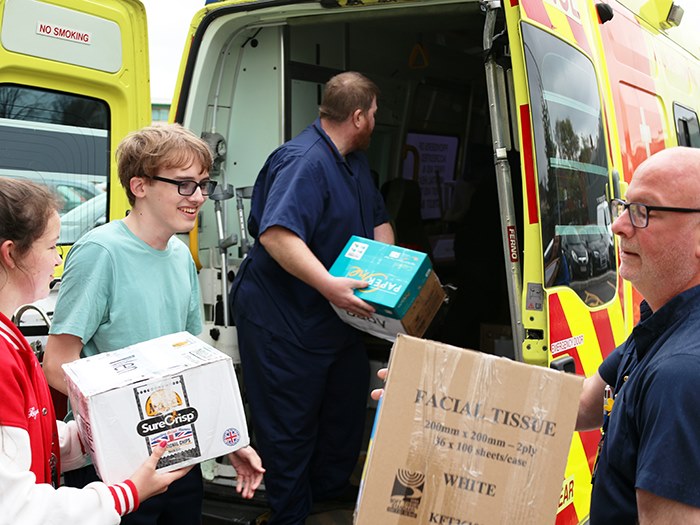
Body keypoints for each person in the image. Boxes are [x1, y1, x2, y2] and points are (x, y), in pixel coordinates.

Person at [42, 124, 264, 525]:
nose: (197, 196)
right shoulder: (100, 252)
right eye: (184, 185)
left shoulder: (180, 256)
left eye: (202, 184)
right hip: (114, 465)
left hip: (179, 455)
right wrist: (129, 424)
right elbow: (58, 364)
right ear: (139, 185)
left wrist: (225, 438)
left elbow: (187, 365)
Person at [230, 71, 394, 524]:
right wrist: (329, 285)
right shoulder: (304, 161)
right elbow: (277, 236)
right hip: (283, 319)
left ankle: (328, 500)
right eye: (375, 115)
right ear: (358, 116)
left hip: (332, 320)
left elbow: (378, 223)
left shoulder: (355, 162)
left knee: (344, 410)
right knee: (290, 428)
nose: (377, 122)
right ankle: (291, 516)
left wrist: (394, 274)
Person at [0, 177, 191, 525]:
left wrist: (105, 434)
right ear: (12, 254)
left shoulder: (9, 339)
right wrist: (126, 493)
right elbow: (15, 507)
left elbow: (26, 440)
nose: (59, 262)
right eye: (51, 247)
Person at [574, 146, 700, 523]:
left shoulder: (679, 374)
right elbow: (582, 404)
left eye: (644, 211)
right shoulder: (665, 326)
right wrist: (441, 393)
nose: (618, 226)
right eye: (623, 206)